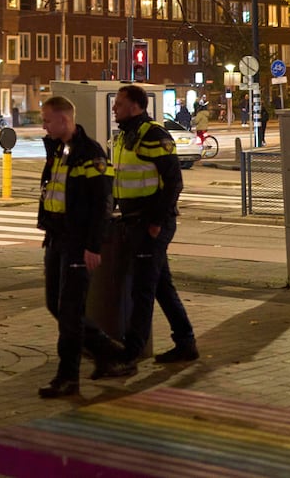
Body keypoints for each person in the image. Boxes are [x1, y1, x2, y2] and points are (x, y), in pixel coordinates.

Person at [95, 85, 198, 379]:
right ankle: (186, 342)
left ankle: (130, 355)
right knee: (161, 285)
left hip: (150, 224)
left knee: (142, 289)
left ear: (136, 106)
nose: (114, 109)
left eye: (119, 104)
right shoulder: (125, 136)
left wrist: (155, 222)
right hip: (134, 221)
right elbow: (120, 178)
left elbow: (173, 183)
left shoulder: (153, 135)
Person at [35, 94, 119, 398]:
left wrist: (93, 246)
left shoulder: (89, 153)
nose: (43, 126)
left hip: (77, 241)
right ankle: (108, 353)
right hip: (57, 238)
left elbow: (102, 204)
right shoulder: (59, 149)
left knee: (69, 312)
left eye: (47, 120)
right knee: (55, 305)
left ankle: (68, 377)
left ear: (64, 120)